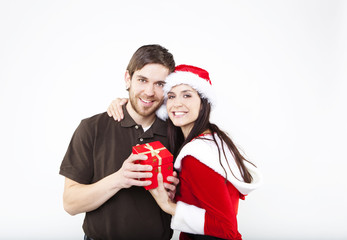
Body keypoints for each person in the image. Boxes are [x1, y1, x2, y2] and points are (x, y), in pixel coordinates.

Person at [108, 64, 263, 239]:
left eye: (187, 95)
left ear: (204, 103)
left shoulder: (196, 155)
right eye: (171, 96)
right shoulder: (214, 140)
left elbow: (226, 228)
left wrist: (167, 205)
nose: (177, 103)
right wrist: (127, 102)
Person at [60, 44, 179, 240]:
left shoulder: (177, 133)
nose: (149, 91)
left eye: (160, 84)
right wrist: (119, 179)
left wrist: (176, 195)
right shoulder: (92, 128)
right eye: (142, 80)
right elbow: (70, 204)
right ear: (128, 79)